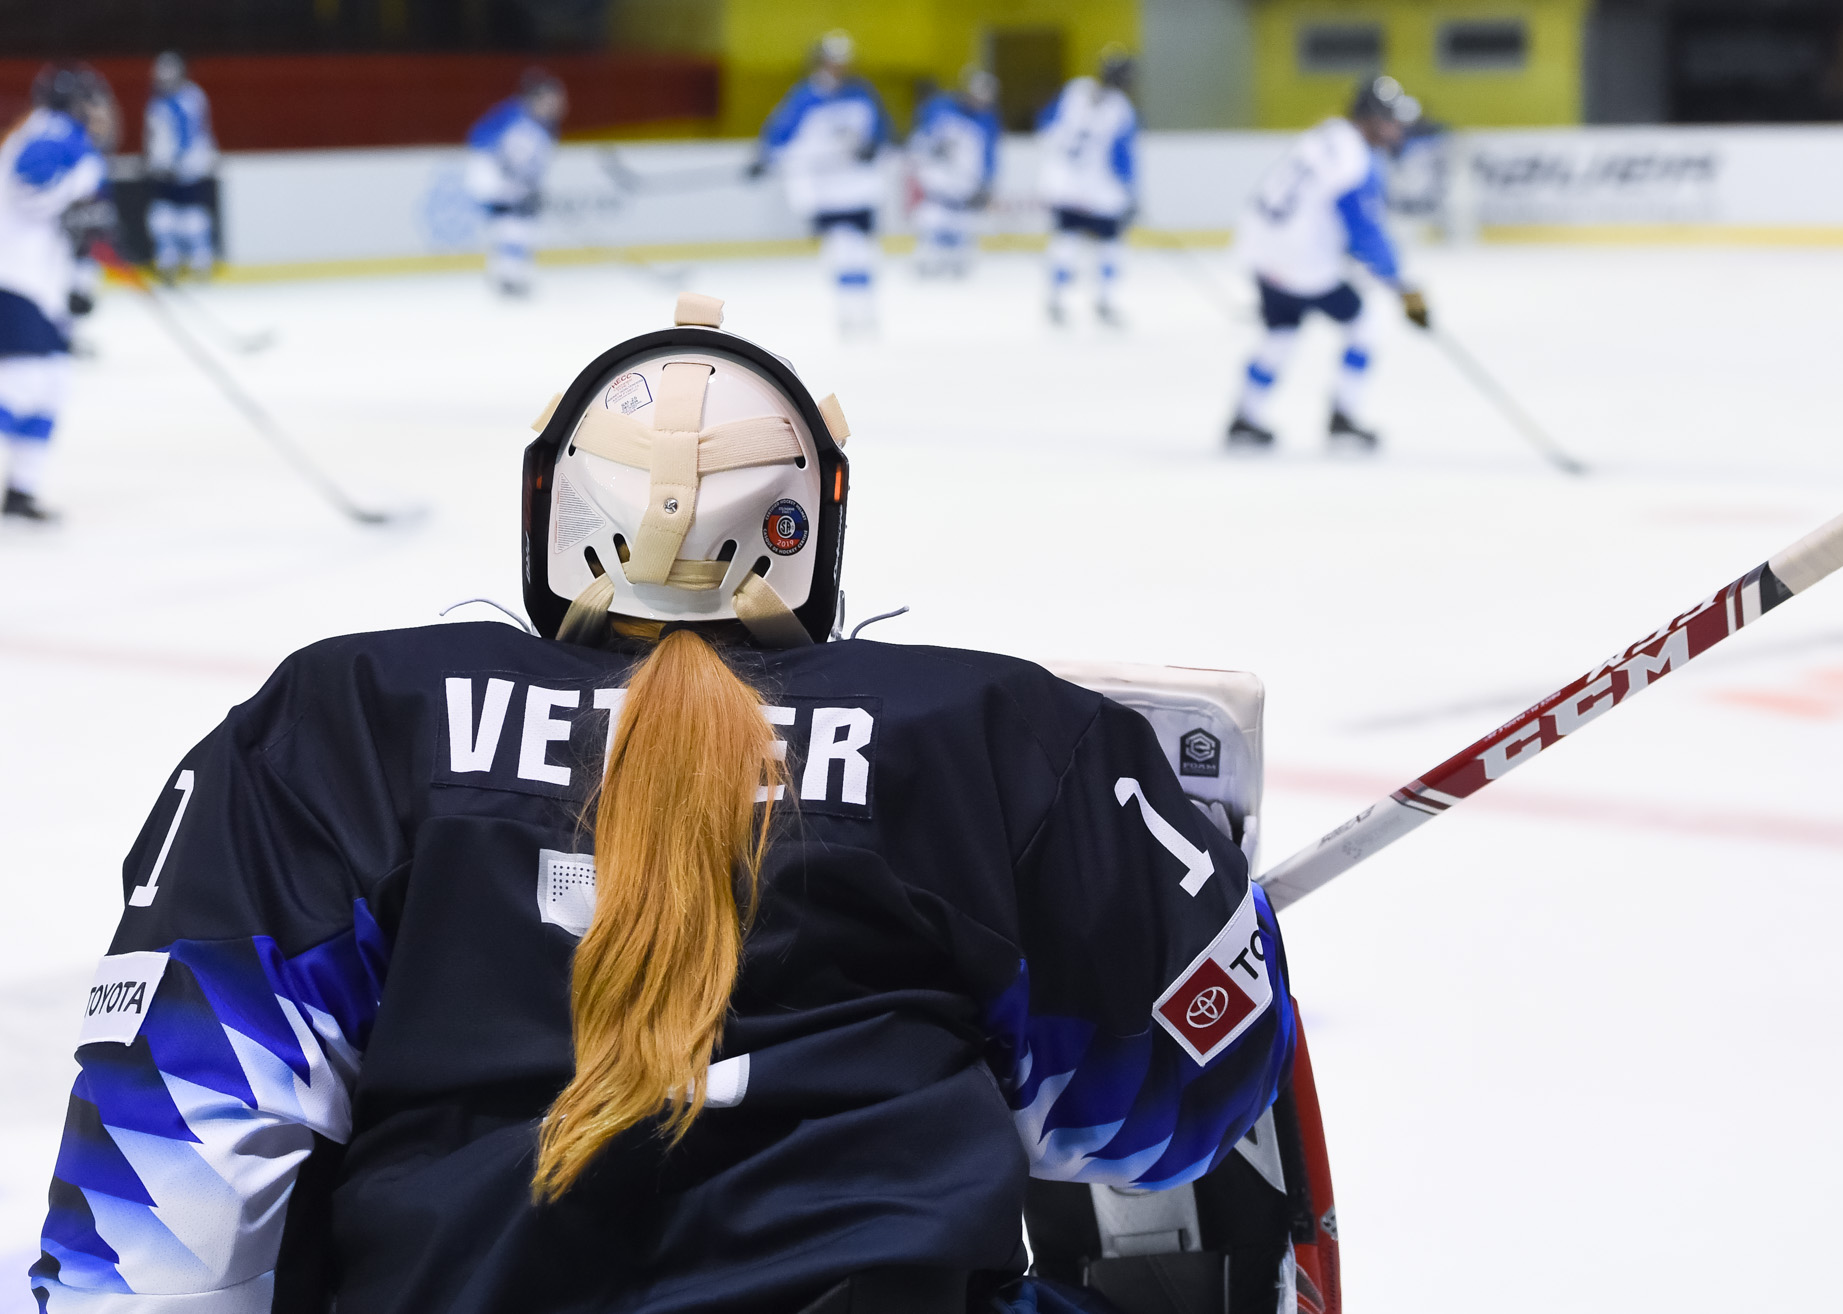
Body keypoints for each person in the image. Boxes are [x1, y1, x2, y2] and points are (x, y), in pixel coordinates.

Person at [29, 293, 1294, 1313]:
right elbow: (1163, 1125)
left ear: (554, 508)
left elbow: (163, 1207)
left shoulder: (343, 717)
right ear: (811, 525)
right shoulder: (1002, 734)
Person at [1227, 75, 1430, 451]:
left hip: (1262, 251)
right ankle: (1344, 417)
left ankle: (1245, 417)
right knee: (1364, 324)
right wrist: (1405, 287)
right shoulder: (1358, 161)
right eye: (1390, 120)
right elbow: (1365, 232)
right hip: (1304, 266)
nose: (1396, 130)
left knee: (1281, 331)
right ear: (1369, 117)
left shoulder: (1326, 134)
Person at [0, 64, 116, 523]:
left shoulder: (56, 135)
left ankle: (20, 491)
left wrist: (80, 282)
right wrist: (73, 196)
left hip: (36, 285)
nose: (100, 112)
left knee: (53, 386)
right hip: (15, 280)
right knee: (24, 382)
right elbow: (33, 189)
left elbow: (75, 223)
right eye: (92, 102)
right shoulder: (55, 131)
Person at [751, 32, 892, 335]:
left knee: (863, 252)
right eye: (831, 61)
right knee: (841, 250)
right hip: (826, 193)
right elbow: (779, 135)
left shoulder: (861, 94)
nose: (837, 67)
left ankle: (865, 311)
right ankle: (848, 312)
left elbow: (883, 130)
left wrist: (874, 146)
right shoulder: (805, 97)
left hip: (859, 189)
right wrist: (764, 158)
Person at [1036, 47, 1139, 326]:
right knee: (1109, 243)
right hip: (1101, 190)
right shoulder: (1121, 109)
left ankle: (1055, 299)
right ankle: (1104, 300)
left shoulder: (1075, 90)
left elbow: (1045, 123)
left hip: (1063, 184)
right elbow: (1123, 158)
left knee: (1066, 239)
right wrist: (1132, 192)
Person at [465, 69, 566, 297]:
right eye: (553, 96)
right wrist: (523, 185)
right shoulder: (522, 120)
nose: (559, 102)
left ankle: (507, 273)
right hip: (495, 178)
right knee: (516, 222)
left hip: (503, 179)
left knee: (517, 223)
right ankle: (508, 276)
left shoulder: (536, 121)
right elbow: (502, 153)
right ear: (538, 97)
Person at [907, 67, 1000, 279]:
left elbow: (990, 155)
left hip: (964, 193)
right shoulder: (939, 108)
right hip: (937, 192)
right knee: (929, 251)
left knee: (961, 258)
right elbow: (918, 139)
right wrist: (929, 149)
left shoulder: (987, 120)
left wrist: (987, 183)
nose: (981, 101)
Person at [143, 51, 219, 282]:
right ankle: (169, 259)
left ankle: (201, 259)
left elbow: (188, 134)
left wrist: (175, 163)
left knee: (191, 214)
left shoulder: (187, 98)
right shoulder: (159, 99)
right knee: (163, 213)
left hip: (186, 168)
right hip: (168, 168)